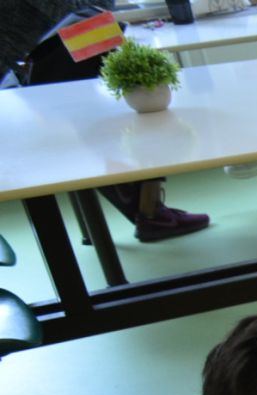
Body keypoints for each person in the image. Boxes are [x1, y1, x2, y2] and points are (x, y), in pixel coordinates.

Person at [7, 3, 210, 241]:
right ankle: (149, 213)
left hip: (39, 56)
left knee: (107, 117)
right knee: (120, 119)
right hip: (38, 58)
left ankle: (143, 210)